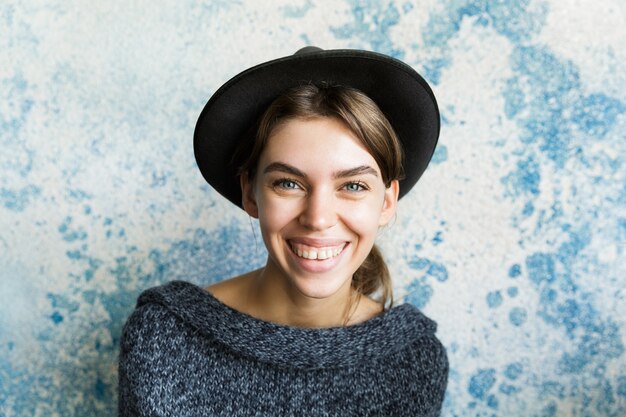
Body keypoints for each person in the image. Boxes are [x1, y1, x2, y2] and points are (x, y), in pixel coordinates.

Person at [118, 47, 448, 416]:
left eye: (353, 186)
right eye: (289, 183)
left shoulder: (413, 359)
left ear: (386, 202)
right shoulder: (165, 338)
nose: (318, 218)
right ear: (250, 193)